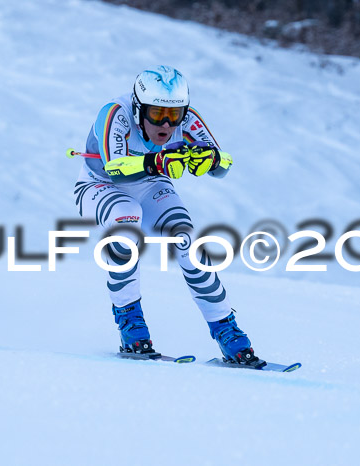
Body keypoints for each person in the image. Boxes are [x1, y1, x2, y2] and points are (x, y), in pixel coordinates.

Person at [74, 65, 263, 366]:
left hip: (150, 184)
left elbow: (223, 164)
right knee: (126, 222)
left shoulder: (187, 119)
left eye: (174, 116)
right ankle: (131, 328)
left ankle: (228, 331)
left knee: (188, 242)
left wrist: (210, 159)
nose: (166, 124)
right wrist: (158, 160)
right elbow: (115, 169)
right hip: (102, 185)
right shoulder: (115, 114)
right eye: (156, 114)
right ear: (138, 109)